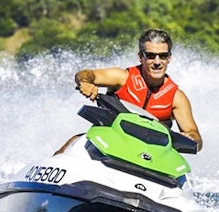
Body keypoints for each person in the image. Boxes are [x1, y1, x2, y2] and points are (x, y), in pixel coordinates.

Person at [72, 28, 203, 149]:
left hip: (148, 156)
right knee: (74, 142)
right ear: (141, 57)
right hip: (107, 144)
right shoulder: (122, 78)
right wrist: (85, 82)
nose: (157, 62)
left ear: (169, 58)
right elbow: (88, 74)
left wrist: (191, 137)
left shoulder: (176, 98)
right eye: (151, 56)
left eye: (162, 56)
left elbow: (195, 137)